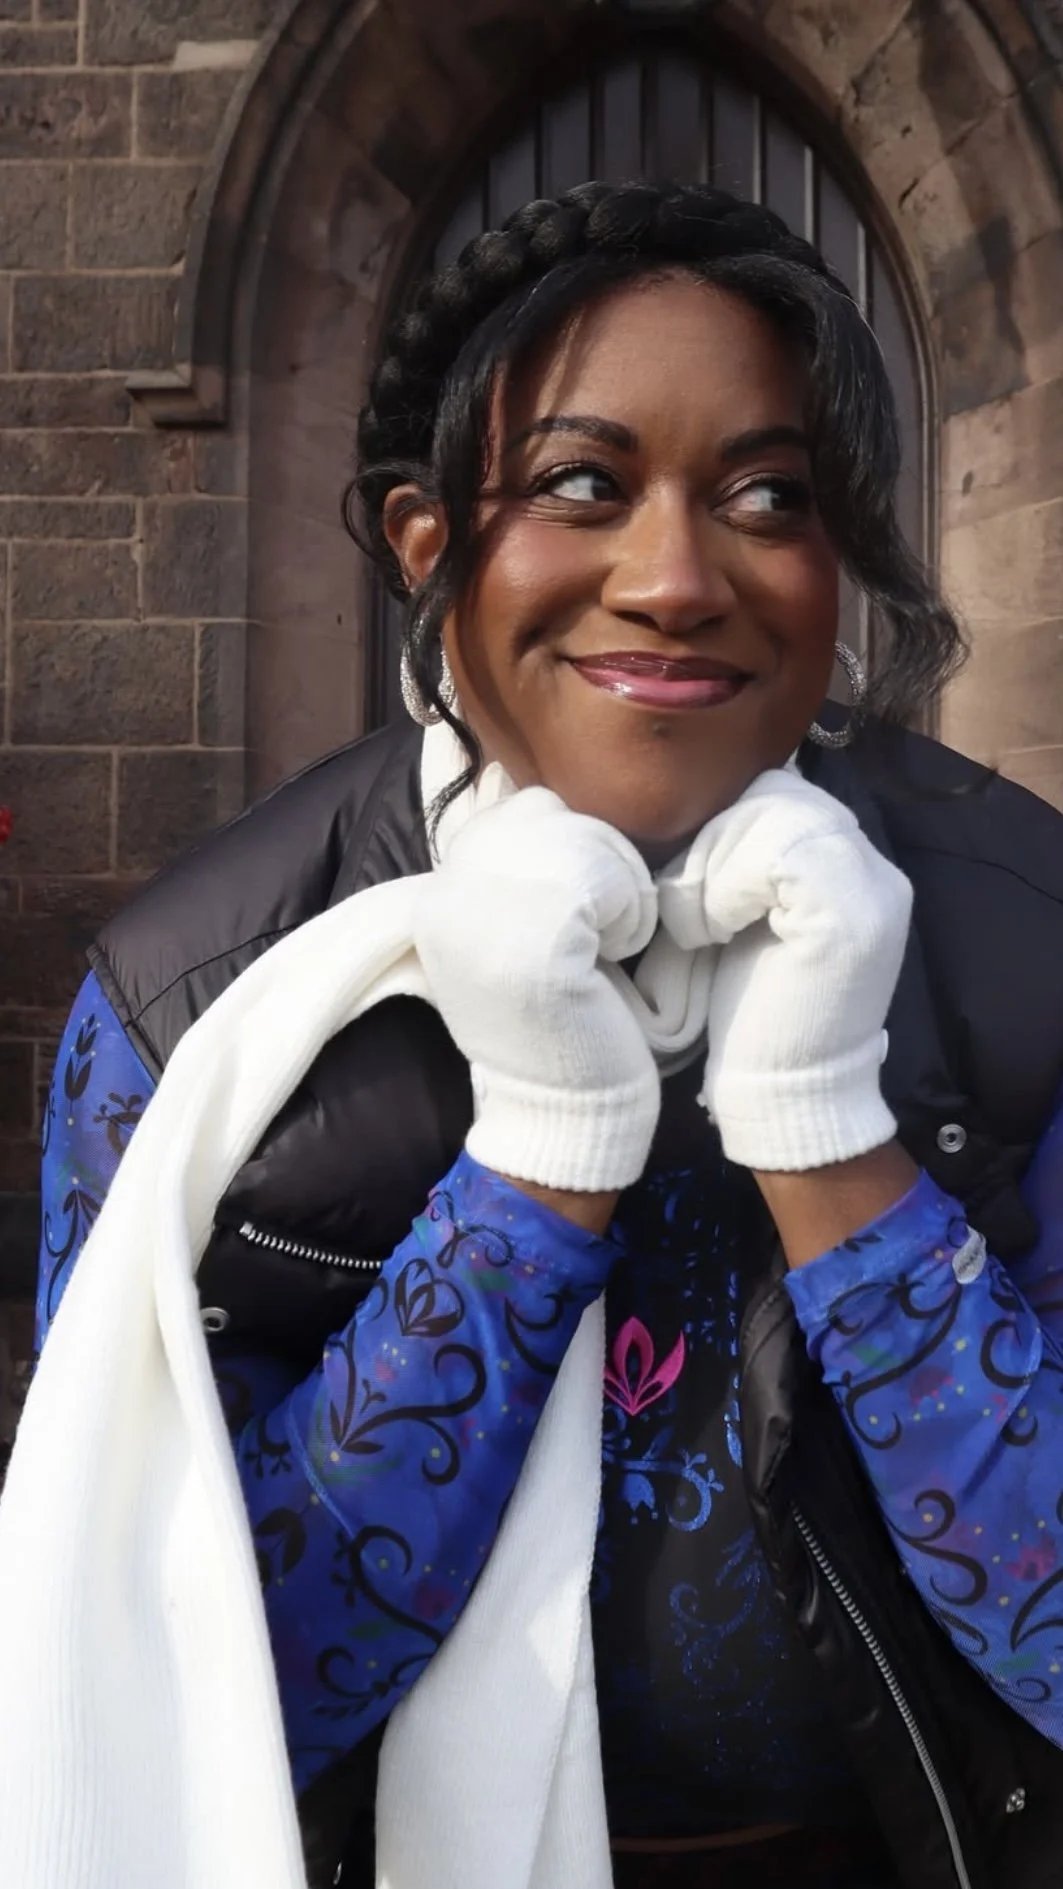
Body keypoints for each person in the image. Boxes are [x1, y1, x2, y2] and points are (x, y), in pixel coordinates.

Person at [34, 182, 1063, 1889]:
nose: (673, 579)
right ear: (431, 546)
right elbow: (185, 1699)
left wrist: (820, 1126)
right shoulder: (190, 1005)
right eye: (583, 485)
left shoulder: (1022, 937)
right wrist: (537, 1166)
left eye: (764, 496)